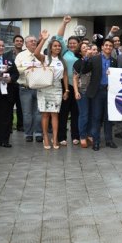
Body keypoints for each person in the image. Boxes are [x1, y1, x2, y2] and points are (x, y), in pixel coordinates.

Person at [33, 30, 69, 150]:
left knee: (55, 114)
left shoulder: (62, 60)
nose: (57, 47)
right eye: (55, 46)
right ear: (50, 48)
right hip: (44, 88)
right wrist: (43, 39)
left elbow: (65, 75)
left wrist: (67, 90)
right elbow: (36, 53)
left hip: (57, 88)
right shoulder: (45, 58)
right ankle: (46, 138)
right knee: (45, 114)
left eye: (59, 46)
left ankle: (55, 138)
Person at [81, 38, 118, 151]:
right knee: (96, 117)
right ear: (102, 47)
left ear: (112, 48)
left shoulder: (114, 61)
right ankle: (96, 141)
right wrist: (86, 57)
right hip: (97, 92)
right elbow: (84, 70)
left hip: (110, 92)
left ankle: (109, 140)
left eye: (110, 46)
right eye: (106, 45)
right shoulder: (95, 59)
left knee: (108, 117)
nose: (108, 47)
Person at [55, 16, 80, 146]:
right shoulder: (64, 52)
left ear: (79, 44)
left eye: (74, 43)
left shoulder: (82, 54)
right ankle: (61, 137)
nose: (71, 45)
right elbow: (58, 38)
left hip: (79, 88)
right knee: (63, 113)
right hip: (65, 86)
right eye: (70, 43)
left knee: (76, 113)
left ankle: (76, 136)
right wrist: (64, 23)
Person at [0, 38, 19, 152]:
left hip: (5, 94)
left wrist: (10, 79)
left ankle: (3, 140)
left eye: (2, 45)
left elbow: (16, 74)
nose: (1, 47)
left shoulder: (9, 59)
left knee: (4, 119)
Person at [14, 35, 43, 143]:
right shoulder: (20, 56)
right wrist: (27, 68)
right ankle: (28, 134)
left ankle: (39, 133)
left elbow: (46, 67)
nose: (33, 42)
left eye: (35, 41)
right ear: (26, 44)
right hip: (25, 88)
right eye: (31, 41)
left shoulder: (41, 55)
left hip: (39, 88)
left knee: (39, 112)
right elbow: (16, 70)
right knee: (27, 113)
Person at [73, 42, 93, 148]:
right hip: (82, 91)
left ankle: (90, 134)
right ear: (80, 52)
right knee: (84, 115)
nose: (87, 49)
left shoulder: (94, 60)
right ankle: (82, 136)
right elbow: (75, 78)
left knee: (91, 115)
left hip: (93, 92)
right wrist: (76, 91)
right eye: (84, 48)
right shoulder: (77, 63)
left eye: (88, 47)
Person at [6, 34, 24, 132]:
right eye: (17, 41)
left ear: (23, 43)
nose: (19, 42)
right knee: (9, 106)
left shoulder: (26, 54)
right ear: (14, 42)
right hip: (10, 84)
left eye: (21, 41)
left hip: (21, 84)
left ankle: (20, 126)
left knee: (21, 107)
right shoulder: (7, 54)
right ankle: (8, 127)